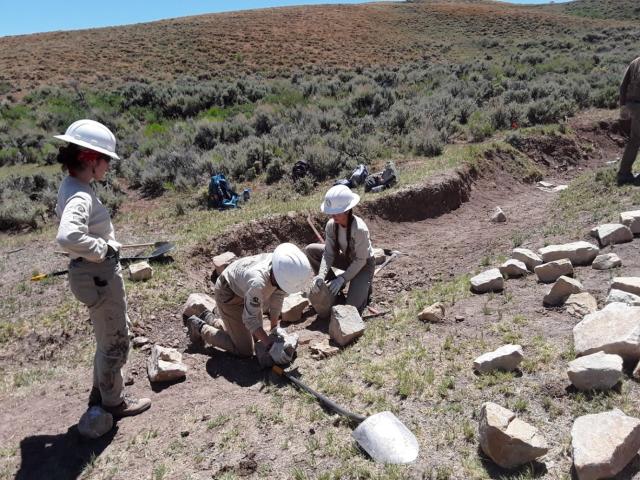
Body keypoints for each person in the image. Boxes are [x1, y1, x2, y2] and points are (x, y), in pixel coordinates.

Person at [54, 119, 151, 418]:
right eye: (106, 160)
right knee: (115, 340)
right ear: (90, 159)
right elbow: (68, 236)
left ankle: (101, 388)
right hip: (97, 274)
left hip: (89, 274)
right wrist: (103, 249)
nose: (108, 166)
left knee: (105, 333)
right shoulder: (81, 195)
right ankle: (114, 402)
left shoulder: (73, 185)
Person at [186, 243, 312, 364]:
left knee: (257, 337)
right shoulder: (259, 283)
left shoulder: (280, 266)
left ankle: (211, 318)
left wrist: (274, 328)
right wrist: (270, 346)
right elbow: (250, 319)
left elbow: (277, 296)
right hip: (229, 294)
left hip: (245, 289)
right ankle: (200, 327)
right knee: (245, 350)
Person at [305, 184, 375, 313]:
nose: (332, 216)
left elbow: (361, 260)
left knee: (350, 309)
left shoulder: (359, 229)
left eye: (336, 213)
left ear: (347, 210)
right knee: (311, 250)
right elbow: (329, 254)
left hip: (364, 264)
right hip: (348, 259)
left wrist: (343, 278)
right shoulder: (332, 225)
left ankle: (364, 286)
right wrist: (321, 275)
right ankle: (332, 289)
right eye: (330, 213)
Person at [618, 55, 640, 186]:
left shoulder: (635, 62)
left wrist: (623, 106)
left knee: (635, 139)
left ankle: (624, 172)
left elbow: (623, 86)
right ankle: (624, 173)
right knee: (635, 139)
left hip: (633, 105)